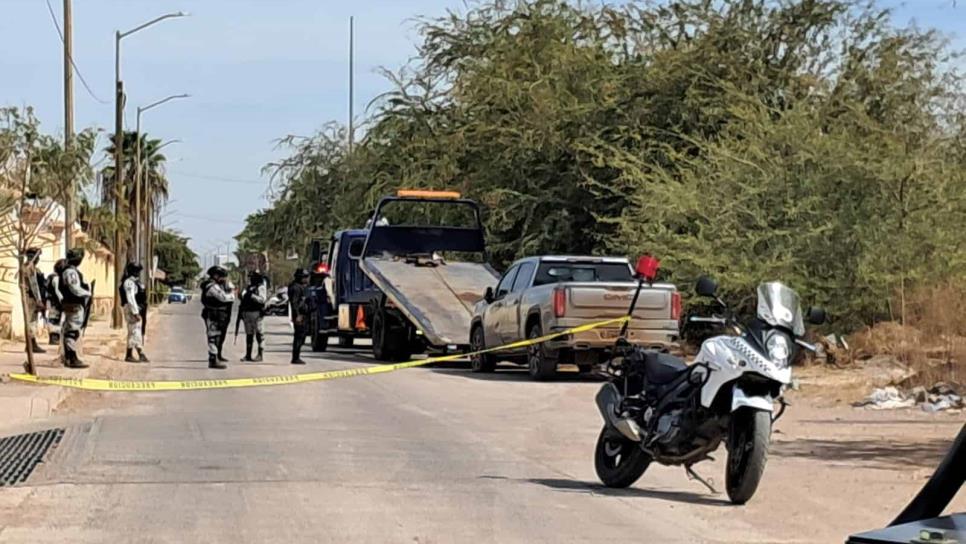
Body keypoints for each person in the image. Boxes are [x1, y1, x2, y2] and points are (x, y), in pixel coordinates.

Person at [58, 248, 90, 369]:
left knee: (70, 330)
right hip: (74, 305)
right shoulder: (70, 272)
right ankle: (72, 358)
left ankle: (69, 357)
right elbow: (74, 288)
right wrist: (87, 293)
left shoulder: (70, 271)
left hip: (72, 304)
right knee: (72, 331)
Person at [200, 265, 235, 369]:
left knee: (216, 337)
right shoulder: (211, 286)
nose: (223, 279)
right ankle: (213, 359)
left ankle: (216, 357)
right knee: (213, 337)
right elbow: (223, 297)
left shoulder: (214, 285)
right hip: (212, 314)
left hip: (216, 314)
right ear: (215, 276)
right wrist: (232, 295)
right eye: (221, 277)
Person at [120, 262, 150, 363]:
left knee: (134, 331)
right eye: (136, 271)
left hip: (137, 309)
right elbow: (130, 298)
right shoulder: (129, 282)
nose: (138, 273)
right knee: (134, 331)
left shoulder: (135, 282)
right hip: (131, 309)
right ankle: (137, 354)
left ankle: (133, 354)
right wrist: (135, 312)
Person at [239, 270, 267, 362]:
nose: (250, 279)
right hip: (247, 313)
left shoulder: (261, 287)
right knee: (249, 334)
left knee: (259, 334)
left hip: (257, 313)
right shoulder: (249, 287)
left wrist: (252, 296)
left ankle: (260, 354)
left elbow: (262, 300)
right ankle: (248, 355)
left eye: (252, 277)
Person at [22, 248, 47, 354]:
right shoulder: (29, 267)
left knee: (31, 321)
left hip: (29, 297)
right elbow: (34, 285)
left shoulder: (26, 267)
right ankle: (31, 344)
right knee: (31, 321)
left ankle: (32, 344)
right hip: (31, 297)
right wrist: (38, 300)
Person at [288, 268, 310, 365]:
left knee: (302, 335)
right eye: (304, 277)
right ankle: (295, 357)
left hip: (303, 314)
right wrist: (297, 315)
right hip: (299, 315)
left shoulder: (300, 287)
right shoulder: (295, 288)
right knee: (299, 336)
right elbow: (294, 303)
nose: (306, 279)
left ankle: (296, 356)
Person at [45, 259, 66, 346]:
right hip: (55, 302)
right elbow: (57, 291)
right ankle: (54, 338)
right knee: (55, 319)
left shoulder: (50, 276)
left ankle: (53, 338)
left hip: (50, 300)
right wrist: (62, 300)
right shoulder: (56, 278)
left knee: (52, 318)